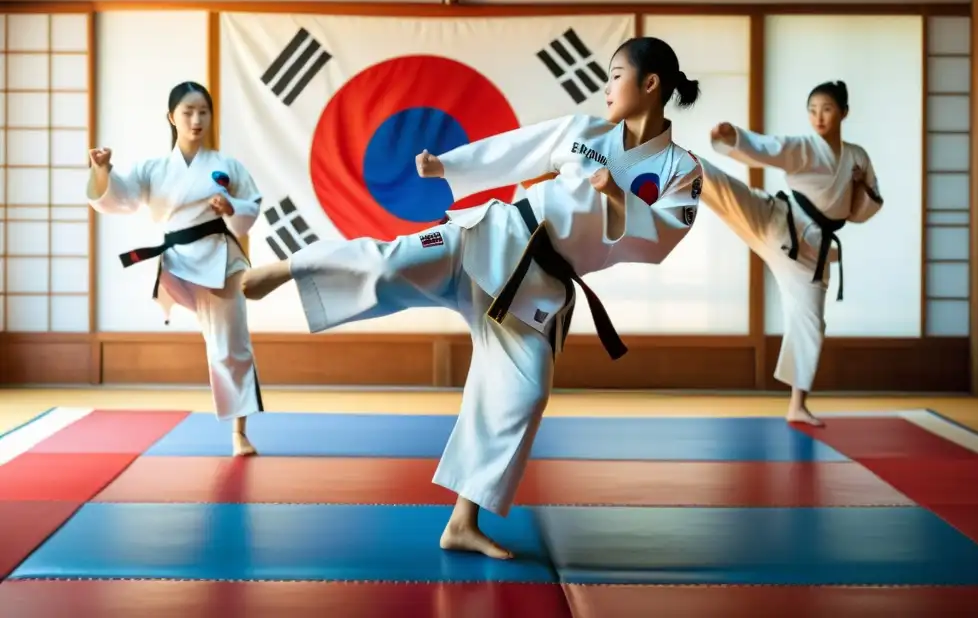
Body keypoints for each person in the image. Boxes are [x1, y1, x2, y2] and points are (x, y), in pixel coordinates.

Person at [241, 37, 704, 558]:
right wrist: (449, 166)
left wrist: (617, 196)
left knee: (522, 394)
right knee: (392, 261)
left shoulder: (680, 169)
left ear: (650, 84)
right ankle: (288, 267)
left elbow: (662, 238)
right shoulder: (584, 130)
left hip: (541, 286)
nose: (606, 86)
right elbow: (516, 149)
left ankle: (463, 520)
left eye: (616, 74)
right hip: (491, 237)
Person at [86, 81, 265, 457]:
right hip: (177, 262)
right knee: (215, 342)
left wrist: (231, 207)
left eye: (203, 112)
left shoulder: (226, 165)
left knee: (230, 346)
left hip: (220, 259)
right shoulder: (154, 169)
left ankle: (239, 433)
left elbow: (251, 207)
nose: (196, 119)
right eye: (188, 112)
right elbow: (117, 195)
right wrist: (102, 170)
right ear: (172, 117)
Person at [699, 80, 883, 426]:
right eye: (812, 110)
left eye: (827, 109)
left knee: (811, 323)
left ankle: (797, 404)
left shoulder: (857, 157)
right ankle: (670, 165)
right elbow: (770, 147)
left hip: (811, 255)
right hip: (777, 222)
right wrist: (733, 137)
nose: (819, 117)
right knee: (722, 188)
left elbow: (862, 210)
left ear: (843, 112)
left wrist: (859, 184)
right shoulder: (804, 148)